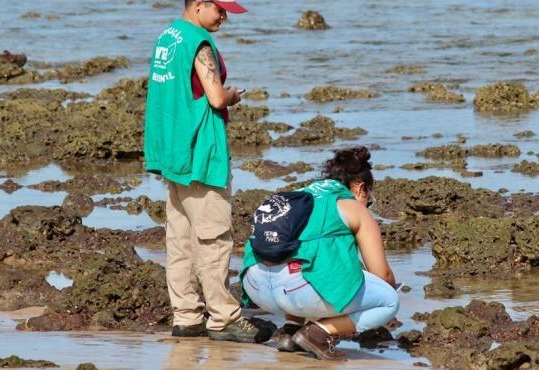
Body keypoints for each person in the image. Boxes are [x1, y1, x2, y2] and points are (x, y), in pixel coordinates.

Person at [144, 0, 269, 343]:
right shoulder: (198, 42)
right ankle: (223, 318)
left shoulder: (167, 37)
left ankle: (186, 315)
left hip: (173, 150)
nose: (225, 17)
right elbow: (214, 97)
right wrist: (232, 96)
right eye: (221, 9)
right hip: (201, 151)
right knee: (213, 238)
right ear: (198, 5)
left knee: (180, 239)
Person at [240, 146, 399, 360]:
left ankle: (289, 330)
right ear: (360, 188)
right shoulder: (352, 206)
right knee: (389, 300)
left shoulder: (298, 197)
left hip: (257, 289)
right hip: (295, 291)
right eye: (369, 200)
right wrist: (380, 310)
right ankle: (317, 333)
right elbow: (383, 275)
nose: (367, 206)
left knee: (303, 259)